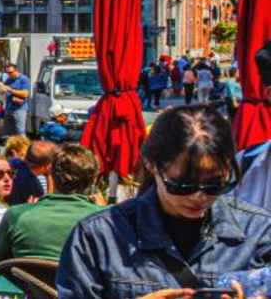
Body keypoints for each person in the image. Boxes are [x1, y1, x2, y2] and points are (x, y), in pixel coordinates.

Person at [57, 105, 271, 298]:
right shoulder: (98, 236)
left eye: (214, 185)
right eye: (182, 185)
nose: (199, 196)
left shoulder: (259, 232)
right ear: (151, 165)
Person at [0, 143, 101, 263]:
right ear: (93, 180)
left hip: (24, 281)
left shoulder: (15, 215)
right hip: (76, 281)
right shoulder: (103, 220)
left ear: (50, 172)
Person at [9, 140, 58, 205]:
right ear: (48, 166)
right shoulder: (34, 185)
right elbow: (47, 204)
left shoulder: (13, 162)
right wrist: (49, 176)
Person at [0, 62, 31, 138]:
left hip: (19, 109)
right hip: (9, 108)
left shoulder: (23, 79)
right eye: (7, 72)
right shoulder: (8, 79)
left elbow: (25, 94)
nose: (9, 74)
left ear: (16, 70)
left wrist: (10, 90)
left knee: (20, 131)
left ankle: (24, 148)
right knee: (7, 133)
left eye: (11, 72)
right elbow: (2, 92)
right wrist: (0, 89)